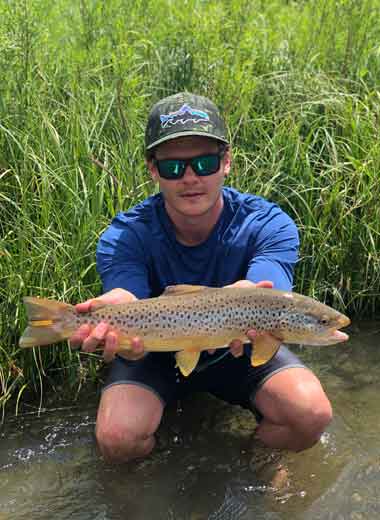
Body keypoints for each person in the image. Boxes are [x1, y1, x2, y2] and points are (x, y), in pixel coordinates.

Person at [70, 92, 332, 463]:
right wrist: (108, 314)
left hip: (237, 347)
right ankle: (162, 481)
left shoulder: (269, 224)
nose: (191, 178)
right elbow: (124, 294)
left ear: (226, 163)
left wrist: (243, 298)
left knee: (311, 415)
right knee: (117, 439)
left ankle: (253, 463)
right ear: (153, 169)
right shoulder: (126, 233)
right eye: (174, 167)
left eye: (205, 163)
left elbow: (267, 293)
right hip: (154, 350)